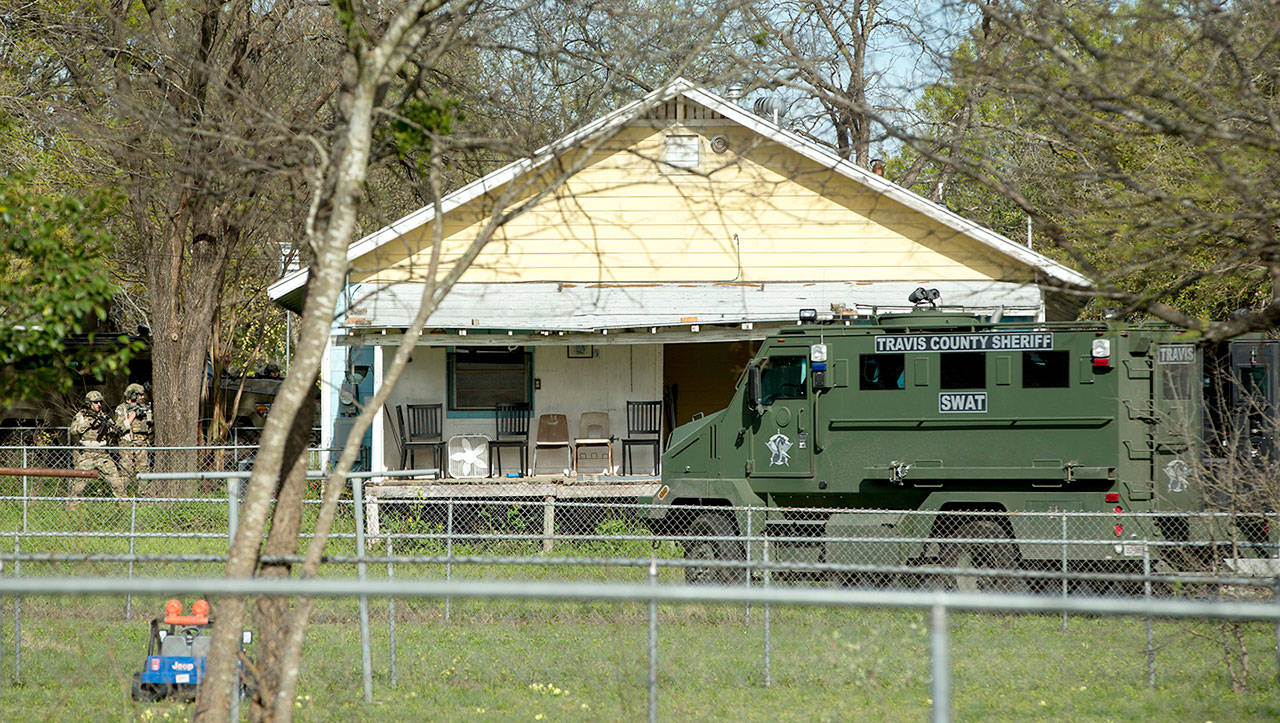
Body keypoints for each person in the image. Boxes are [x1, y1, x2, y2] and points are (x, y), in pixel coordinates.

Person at [68, 390, 127, 501]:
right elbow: (73, 431)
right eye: (96, 402)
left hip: (102, 455)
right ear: (89, 403)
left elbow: (113, 434)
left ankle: (126, 508)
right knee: (77, 487)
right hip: (87, 454)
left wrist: (114, 430)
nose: (99, 405)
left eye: (100, 402)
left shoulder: (104, 417)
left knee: (117, 484)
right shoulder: (81, 416)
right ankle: (72, 512)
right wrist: (89, 424)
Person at [113, 383, 153, 489]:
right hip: (127, 445)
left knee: (144, 470)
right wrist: (132, 417)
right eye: (140, 395)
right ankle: (122, 498)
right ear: (133, 395)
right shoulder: (122, 409)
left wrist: (148, 417)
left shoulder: (143, 408)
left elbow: (149, 430)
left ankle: (143, 497)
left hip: (142, 445)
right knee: (126, 471)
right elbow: (118, 428)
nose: (143, 397)